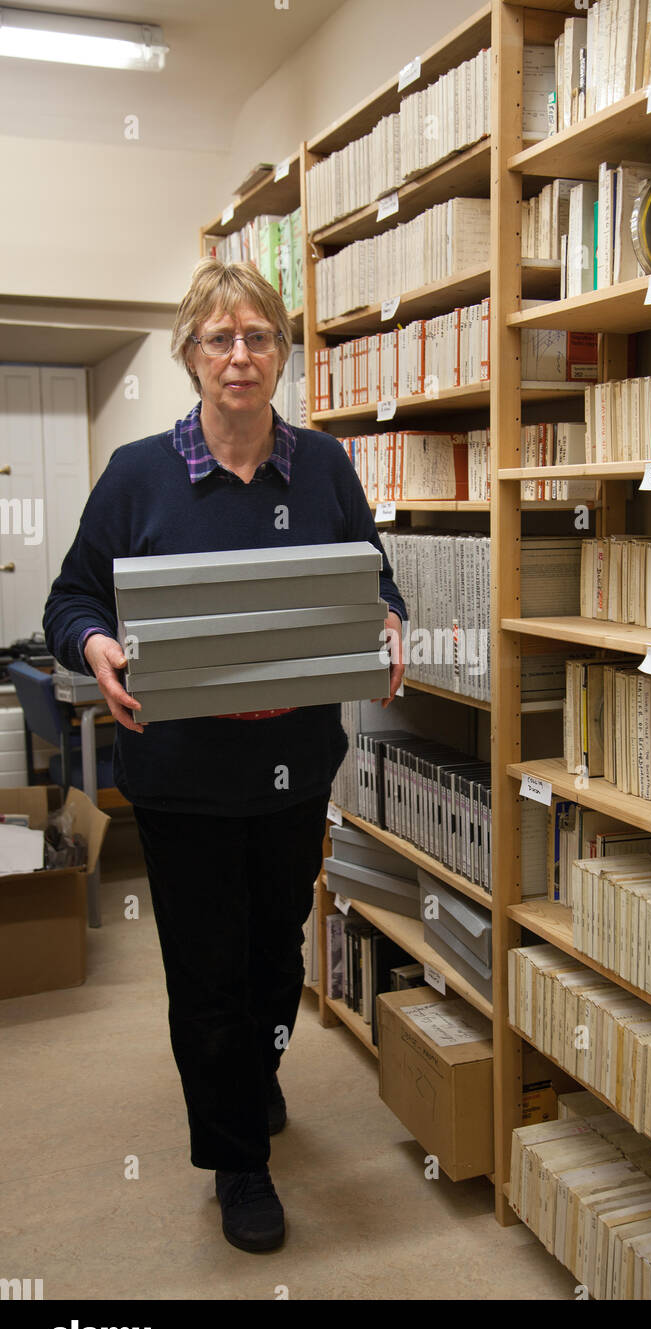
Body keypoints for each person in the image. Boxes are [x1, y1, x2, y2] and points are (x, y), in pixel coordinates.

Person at [43, 259, 406, 1253]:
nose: (238, 357)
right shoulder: (137, 474)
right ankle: (236, 1161)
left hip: (292, 767)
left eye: (257, 338)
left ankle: (254, 1081)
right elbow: (71, 599)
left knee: (273, 950)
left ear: (282, 351)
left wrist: (387, 621)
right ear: (191, 354)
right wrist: (96, 643)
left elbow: (371, 576)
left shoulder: (323, 466)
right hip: (181, 777)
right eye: (218, 338)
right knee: (204, 969)